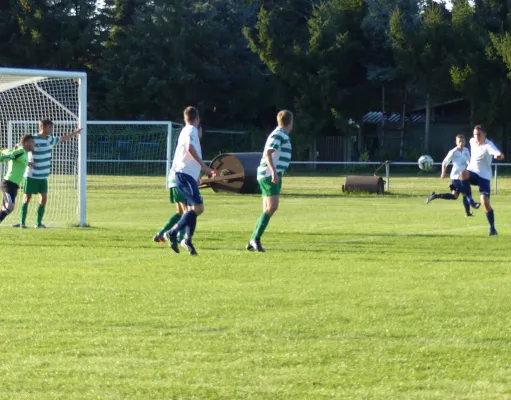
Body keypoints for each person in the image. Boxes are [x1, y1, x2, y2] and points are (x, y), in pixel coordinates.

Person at [164, 108, 215, 255]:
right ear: (197, 119)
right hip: (183, 175)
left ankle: (188, 240)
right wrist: (205, 167)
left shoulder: (186, 131)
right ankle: (173, 233)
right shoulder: (191, 130)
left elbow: (189, 154)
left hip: (187, 175)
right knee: (199, 208)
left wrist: (197, 174)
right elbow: (190, 148)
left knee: (192, 209)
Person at [13, 120, 81, 228]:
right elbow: (19, 147)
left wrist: (75, 133)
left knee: (44, 198)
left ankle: (38, 223)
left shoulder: (50, 139)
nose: (52, 130)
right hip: (31, 175)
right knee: (27, 198)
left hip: (43, 176)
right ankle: (22, 223)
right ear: (43, 127)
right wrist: (26, 161)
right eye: (50, 127)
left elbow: (62, 139)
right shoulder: (33, 138)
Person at [246, 110, 293, 252]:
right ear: (290, 122)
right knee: (272, 206)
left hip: (268, 173)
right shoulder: (279, 134)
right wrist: (273, 171)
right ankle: (255, 238)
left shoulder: (280, 133)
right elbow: (268, 153)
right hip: (269, 174)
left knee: (267, 208)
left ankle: (252, 240)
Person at [154, 126, 204, 247]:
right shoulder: (192, 140)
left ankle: (161, 233)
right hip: (180, 180)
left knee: (180, 211)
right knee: (188, 211)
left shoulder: (185, 140)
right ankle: (179, 238)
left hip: (172, 180)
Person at [459, 125, 504, 236]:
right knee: (463, 174)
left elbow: (496, 152)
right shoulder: (471, 141)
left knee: (485, 202)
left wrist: (499, 155)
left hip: (484, 177)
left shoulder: (488, 145)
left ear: (485, 134)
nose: (476, 137)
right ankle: (470, 201)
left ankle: (492, 228)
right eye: (475, 134)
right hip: (473, 172)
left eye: (479, 134)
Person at [426, 134, 476, 216]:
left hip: (464, 176)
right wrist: (443, 172)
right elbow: (445, 162)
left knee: (454, 196)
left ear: (465, 142)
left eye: (462, 141)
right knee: (466, 193)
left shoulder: (466, 150)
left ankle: (435, 196)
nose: (461, 143)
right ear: (456, 142)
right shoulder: (453, 152)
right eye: (459, 141)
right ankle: (468, 213)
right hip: (456, 177)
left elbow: (469, 161)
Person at [0, 134, 35, 224]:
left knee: (5, 208)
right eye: (32, 142)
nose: (34, 144)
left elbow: (18, 159)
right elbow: (11, 155)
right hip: (8, 183)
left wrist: (28, 163)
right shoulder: (21, 151)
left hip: (14, 185)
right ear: (26, 143)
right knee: (10, 206)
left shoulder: (25, 153)